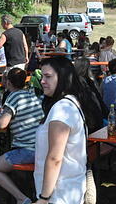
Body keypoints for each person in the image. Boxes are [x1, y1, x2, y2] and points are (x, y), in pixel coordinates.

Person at [34, 56, 91, 204]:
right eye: (42, 76)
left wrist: (44, 197)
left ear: (63, 77)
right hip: (65, 189)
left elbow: (55, 158)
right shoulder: (69, 103)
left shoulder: (62, 109)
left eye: (48, 76)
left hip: (59, 193)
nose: (42, 81)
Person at [0, 68, 45, 204]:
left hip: (27, 149)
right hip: (40, 147)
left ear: (8, 82)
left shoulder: (14, 96)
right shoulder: (31, 94)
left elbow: (2, 123)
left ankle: (21, 198)